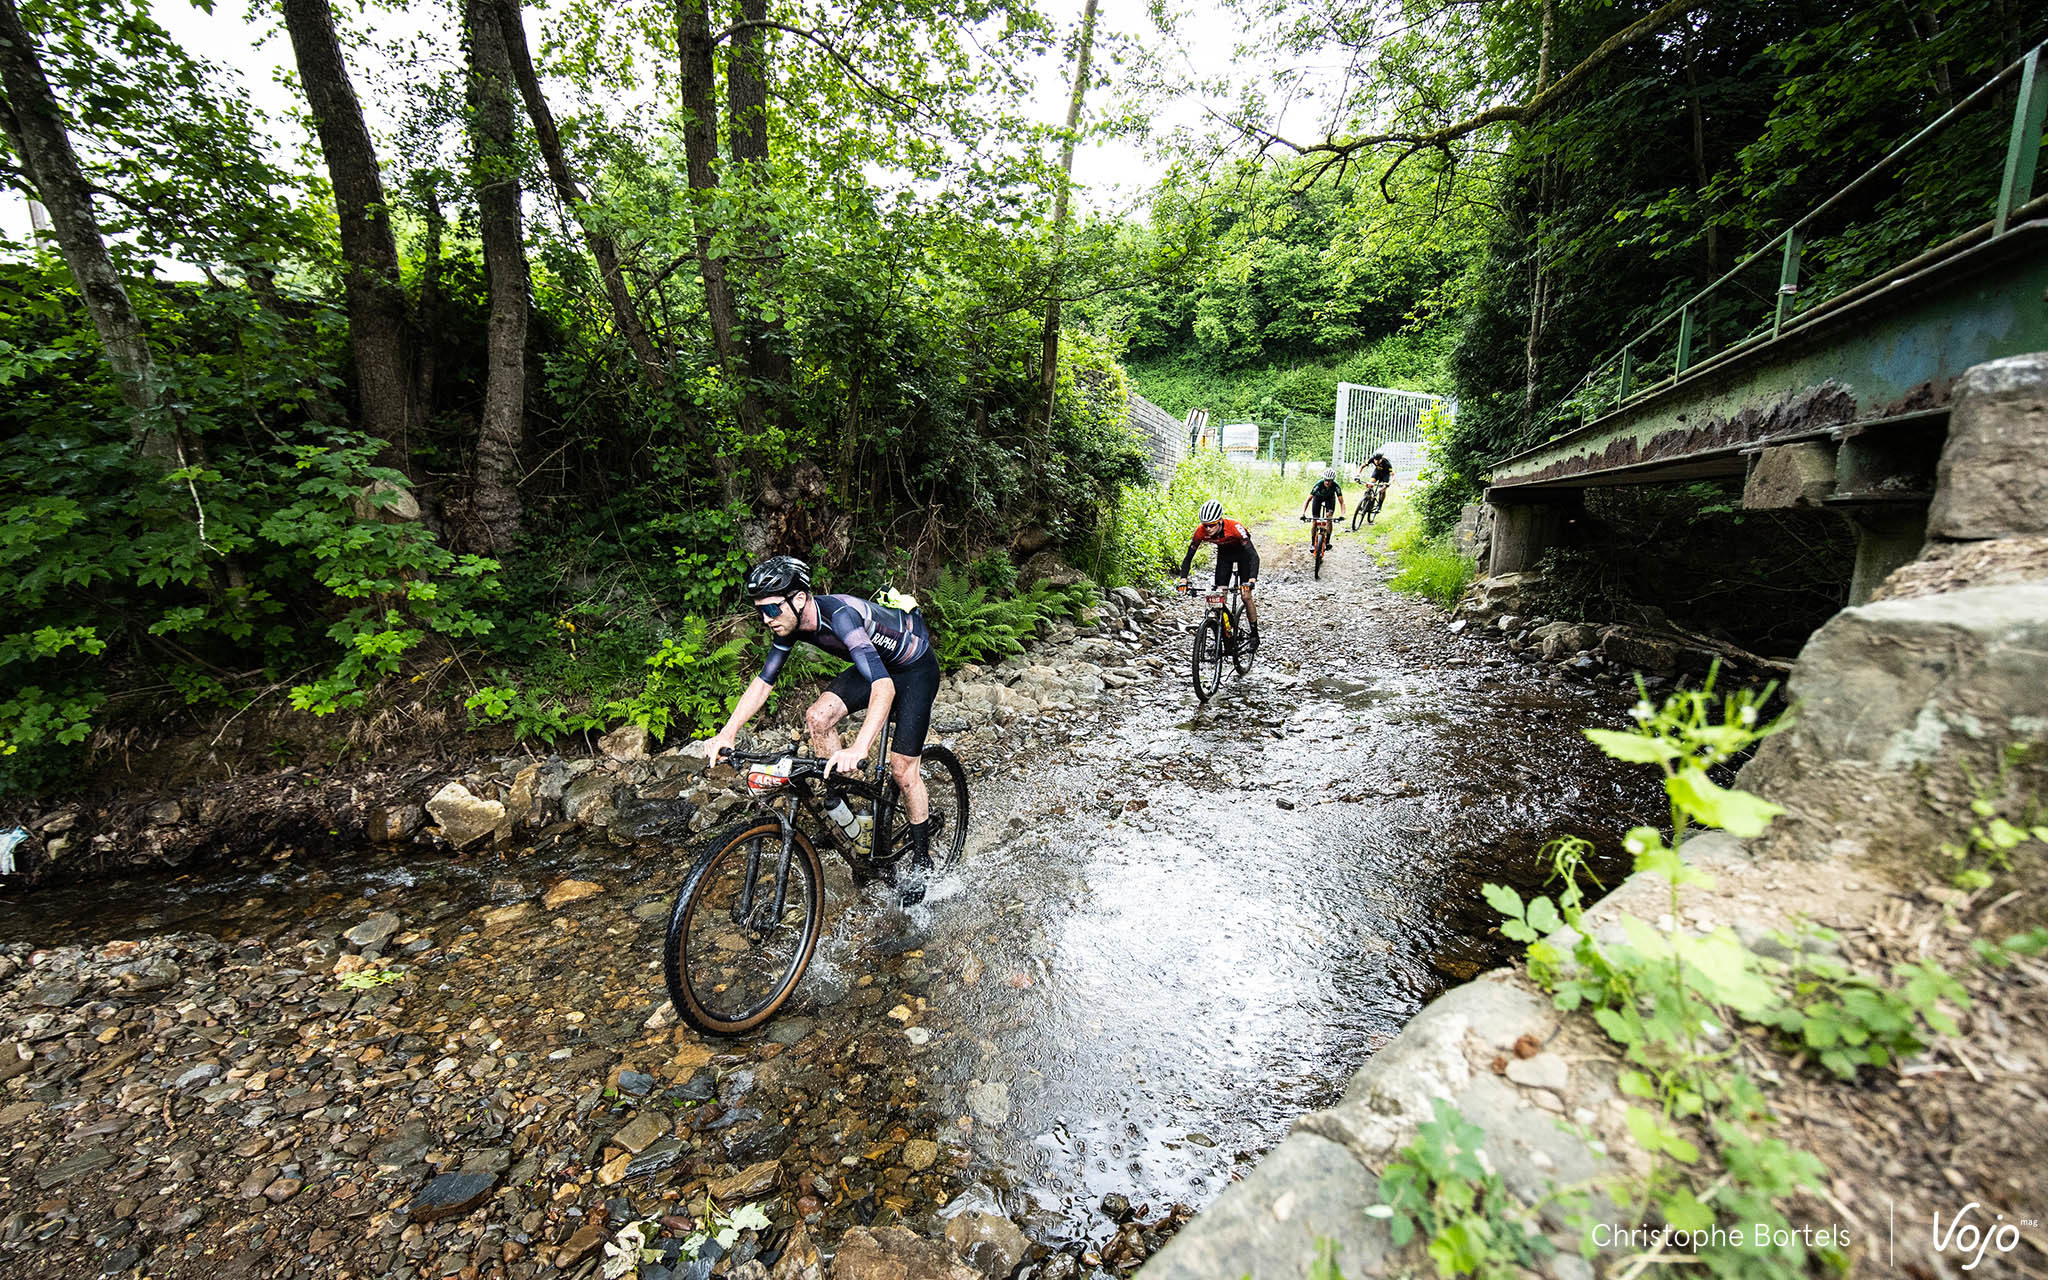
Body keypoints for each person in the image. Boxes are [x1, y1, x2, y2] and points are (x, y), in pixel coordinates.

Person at [705, 555, 944, 905]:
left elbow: (884, 688)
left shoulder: (840, 617)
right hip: (876, 666)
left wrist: (859, 747)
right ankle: (843, 819)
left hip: (914, 670)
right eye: (760, 611)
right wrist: (727, 733)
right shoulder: (791, 624)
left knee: (902, 769)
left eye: (771, 609)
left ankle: (923, 859)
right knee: (817, 717)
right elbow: (763, 682)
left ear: (799, 599)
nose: (765, 619)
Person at [1176, 499, 1260, 648]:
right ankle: (1226, 633)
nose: (1208, 529)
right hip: (1224, 556)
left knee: (1246, 596)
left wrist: (1252, 580)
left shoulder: (1235, 527)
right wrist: (1183, 579)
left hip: (1243, 555)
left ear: (1220, 521)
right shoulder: (1200, 531)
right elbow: (1188, 557)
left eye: (1212, 525)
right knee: (1219, 597)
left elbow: (1254, 556)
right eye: (1205, 525)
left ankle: (1254, 634)